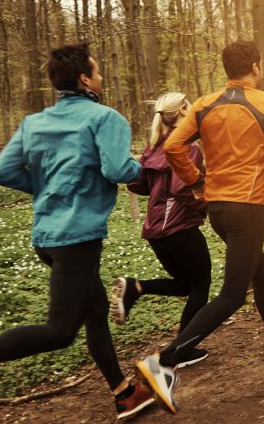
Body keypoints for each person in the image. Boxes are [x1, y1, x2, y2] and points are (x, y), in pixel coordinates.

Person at [0, 43, 154, 419]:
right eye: (97, 72)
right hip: (76, 239)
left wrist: (50, 188)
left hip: (46, 236)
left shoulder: (34, 123)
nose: (101, 77)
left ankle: (124, 393)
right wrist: (144, 168)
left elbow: (2, 172)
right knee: (61, 330)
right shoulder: (104, 117)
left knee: (94, 311)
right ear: (84, 79)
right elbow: (117, 170)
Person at [135, 39, 264, 414]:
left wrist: (196, 182)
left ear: (227, 70)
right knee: (231, 294)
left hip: (217, 210)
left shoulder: (204, 105)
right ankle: (163, 361)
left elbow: (174, 146)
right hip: (247, 208)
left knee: (261, 274)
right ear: (256, 67)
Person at [111, 92, 212, 369]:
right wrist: (206, 201)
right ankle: (182, 349)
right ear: (182, 110)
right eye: (188, 106)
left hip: (155, 230)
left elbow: (137, 184)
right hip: (179, 227)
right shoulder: (187, 145)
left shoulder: (153, 145)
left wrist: (160, 189)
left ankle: (136, 286)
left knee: (184, 283)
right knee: (201, 284)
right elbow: (183, 190)